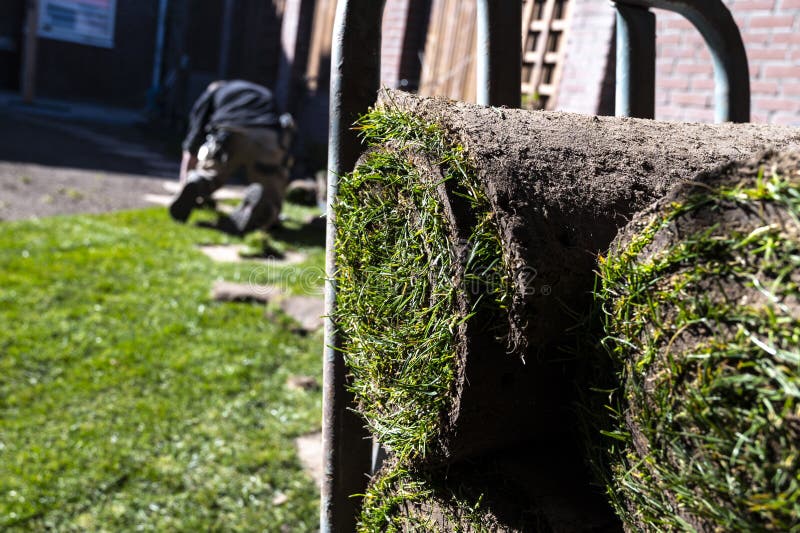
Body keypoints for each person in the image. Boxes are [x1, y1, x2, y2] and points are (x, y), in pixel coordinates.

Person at [169, 80, 295, 234]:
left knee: (211, 173)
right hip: (266, 135)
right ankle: (263, 212)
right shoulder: (263, 92)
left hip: (229, 133)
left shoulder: (214, 92)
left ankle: (199, 181)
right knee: (270, 185)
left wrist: (184, 182)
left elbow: (195, 136)